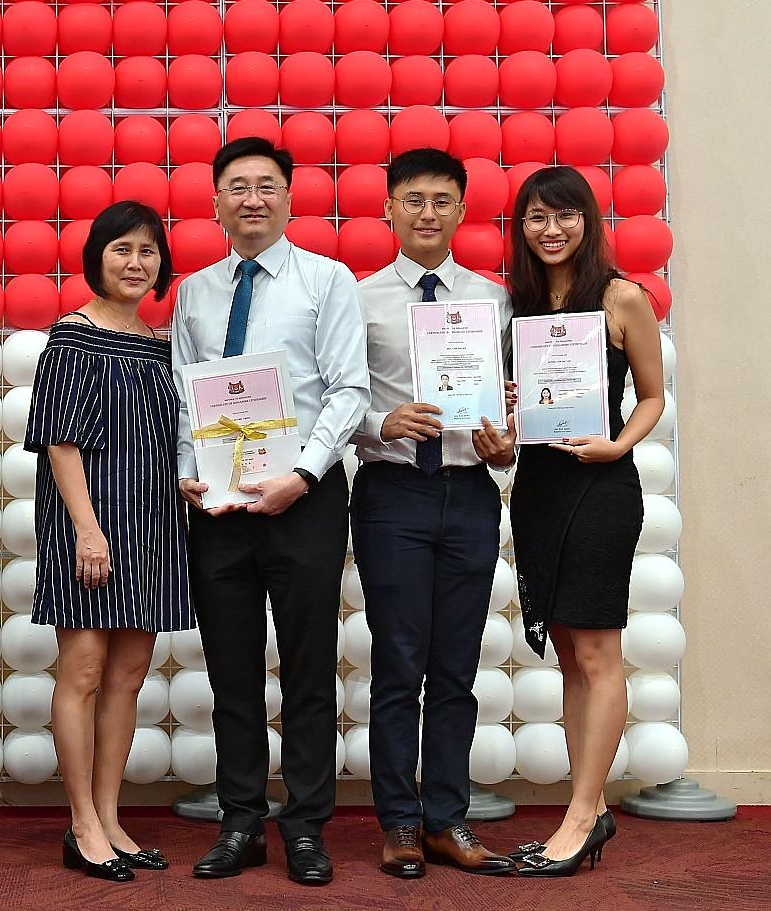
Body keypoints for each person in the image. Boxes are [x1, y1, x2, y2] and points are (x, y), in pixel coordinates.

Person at [172, 136, 370, 886]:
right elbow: (186, 389)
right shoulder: (194, 290)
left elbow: (349, 390)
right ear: (216, 201)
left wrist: (303, 474)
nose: (251, 199)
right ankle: (241, 821)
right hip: (218, 507)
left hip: (303, 502)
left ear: (289, 197)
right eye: (236, 187)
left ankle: (308, 826)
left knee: (310, 669)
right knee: (231, 673)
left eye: (266, 186)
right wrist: (189, 471)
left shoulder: (327, 280)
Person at [350, 149, 518, 878]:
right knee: (398, 666)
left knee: (456, 667)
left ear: (461, 209)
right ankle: (399, 823)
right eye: (412, 199)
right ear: (388, 209)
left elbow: (512, 410)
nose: (427, 213)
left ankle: (448, 819)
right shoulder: (354, 299)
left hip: (471, 490)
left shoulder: (492, 300)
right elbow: (334, 398)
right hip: (393, 494)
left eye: (441, 200)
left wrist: (504, 442)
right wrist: (378, 424)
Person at [26, 202, 194, 883]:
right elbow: (60, 443)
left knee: (127, 676)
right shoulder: (72, 336)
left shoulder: (160, 344)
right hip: (91, 526)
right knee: (85, 671)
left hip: (151, 525)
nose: (135, 263)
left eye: (147, 252)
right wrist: (88, 530)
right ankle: (81, 823)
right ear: (96, 257)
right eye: (121, 249)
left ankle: (110, 813)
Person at [505, 166, 663, 876]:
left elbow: (653, 397)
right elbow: (520, 407)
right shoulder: (521, 304)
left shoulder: (624, 297)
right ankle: (588, 805)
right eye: (536, 217)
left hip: (600, 486)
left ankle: (580, 817)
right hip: (537, 485)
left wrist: (618, 445)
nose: (551, 230)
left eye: (564, 216)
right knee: (569, 650)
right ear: (522, 227)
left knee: (598, 652)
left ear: (587, 221)